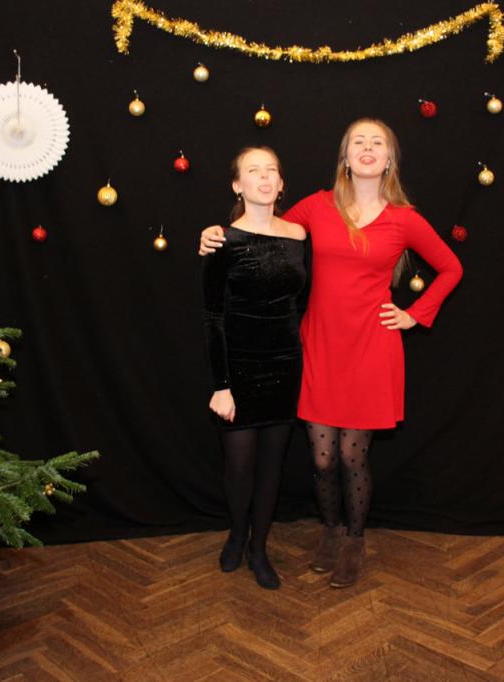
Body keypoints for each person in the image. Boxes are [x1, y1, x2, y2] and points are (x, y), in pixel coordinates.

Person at [200, 119, 462, 588]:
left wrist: (414, 315)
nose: (367, 148)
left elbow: (451, 267)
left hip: (371, 348)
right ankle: (329, 531)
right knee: (321, 459)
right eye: (358, 141)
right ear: (345, 156)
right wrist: (214, 235)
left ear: (389, 159)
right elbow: (264, 225)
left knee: (351, 456)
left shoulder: (404, 218)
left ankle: (353, 543)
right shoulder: (318, 207)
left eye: (377, 143)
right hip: (318, 345)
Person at [202, 146, 307, 590]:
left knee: (272, 467)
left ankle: (259, 549)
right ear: (237, 185)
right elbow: (213, 317)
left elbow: (302, 303)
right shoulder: (221, 240)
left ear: (281, 184)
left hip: (285, 365)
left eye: (271, 171)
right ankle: (237, 533)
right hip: (238, 368)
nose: (264, 178)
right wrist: (221, 385)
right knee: (239, 467)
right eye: (253, 171)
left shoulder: (299, 235)